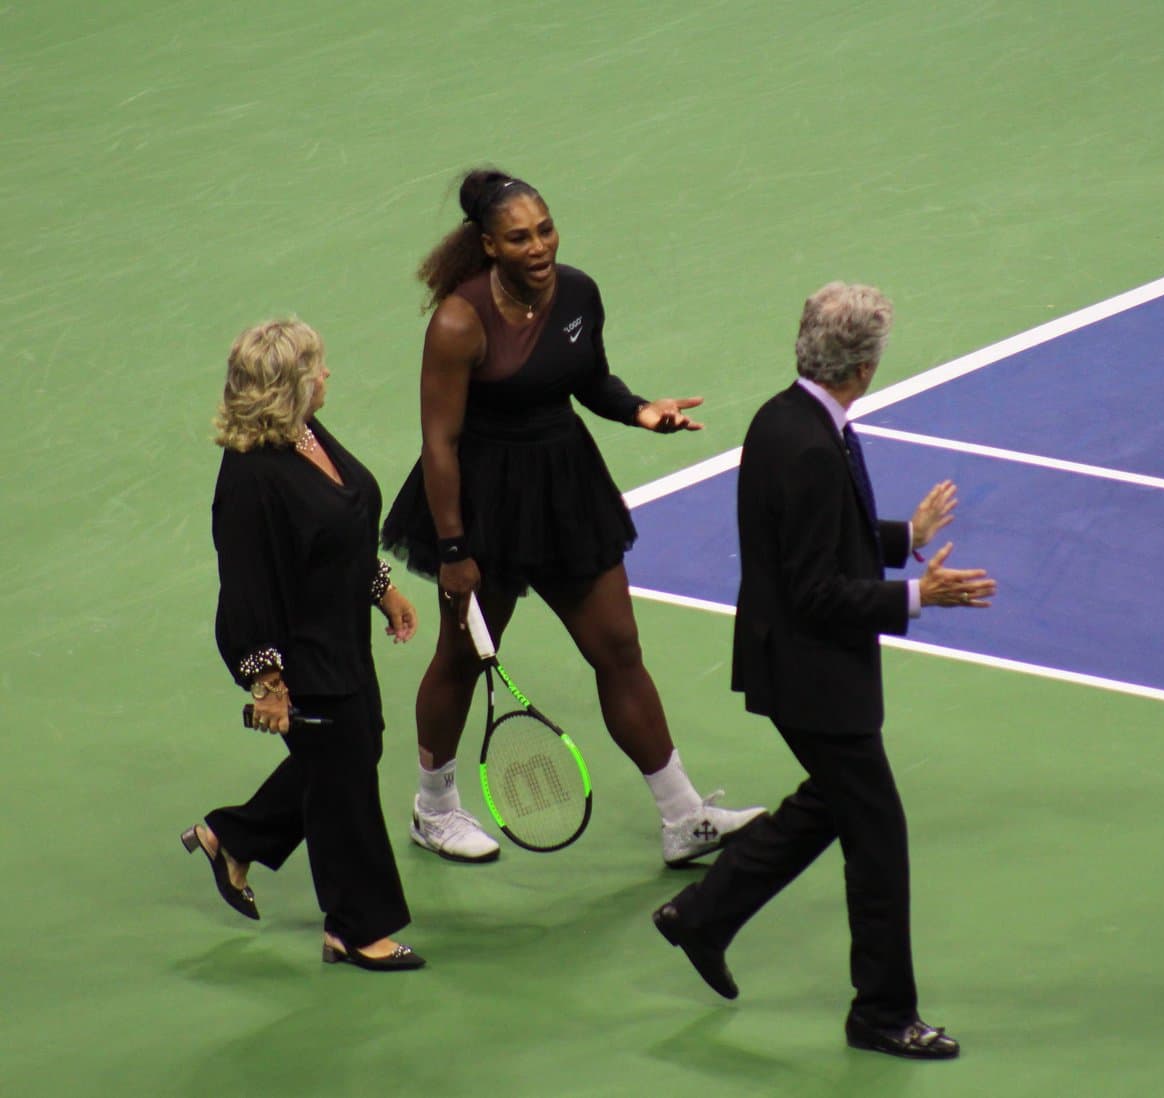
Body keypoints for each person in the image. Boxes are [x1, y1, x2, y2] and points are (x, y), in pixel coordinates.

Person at [652, 282, 997, 1059]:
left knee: (831, 805)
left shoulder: (790, 418)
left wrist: (902, 535)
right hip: (813, 675)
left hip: (794, 663)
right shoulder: (811, 444)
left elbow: (815, 538)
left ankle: (703, 915)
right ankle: (881, 1013)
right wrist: (919, 594)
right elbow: (814, 589)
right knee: (878, 835)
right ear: (866, 366)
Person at [381, 168, 764, 865]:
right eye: (519, 237)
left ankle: (683, 817)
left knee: (618, 648)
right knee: (463, 658)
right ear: (489, 246)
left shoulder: (578, 291)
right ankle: (433, 810)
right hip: (484, 503)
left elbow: (589, 379)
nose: (539, 246)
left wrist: (641, 410)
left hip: (565, 490)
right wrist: (453, 547)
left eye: (546, 229)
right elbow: (439, 443)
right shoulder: (460, 321)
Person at [181, 318, 426, 972]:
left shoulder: (305, 434)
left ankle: (231, 836)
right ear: (288, 387)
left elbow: (342, 523)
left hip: (341, 632)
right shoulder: (252, 481)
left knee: (354, 746)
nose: (327, 374)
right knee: (344, 781)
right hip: (300, 652)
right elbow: (245, 593)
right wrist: (267, 683)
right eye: (317, 367)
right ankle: (354, 928)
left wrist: (381, 588)